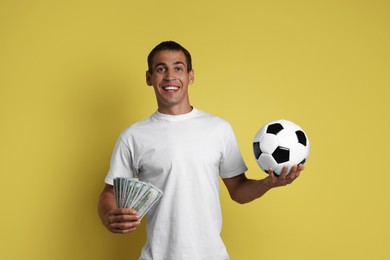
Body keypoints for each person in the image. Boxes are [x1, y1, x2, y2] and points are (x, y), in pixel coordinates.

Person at [98, 41, 304, 260]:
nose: (170, 76)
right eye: (161, 69)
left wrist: (268, 183)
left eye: (178, 68)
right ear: (149, 78)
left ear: (190, 76)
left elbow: (238, 191)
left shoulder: (219, 129)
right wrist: (109, 215)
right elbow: (109, 193)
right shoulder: (133, 136)